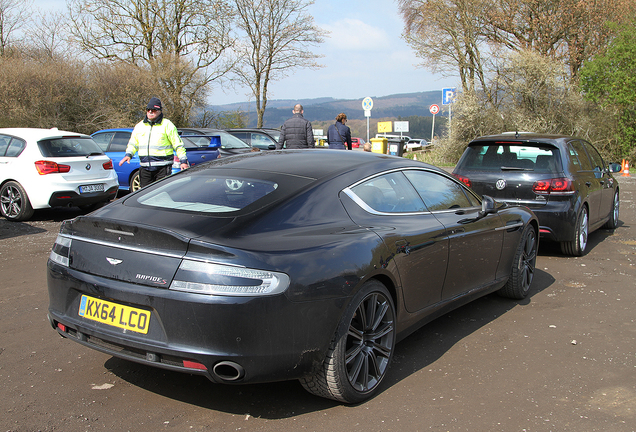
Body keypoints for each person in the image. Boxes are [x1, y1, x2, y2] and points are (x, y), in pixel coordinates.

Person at [119, 97, 188, 188]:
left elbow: (178, 145)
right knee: (144, 196)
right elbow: (133, 143)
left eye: (154, 110)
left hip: (162, 168)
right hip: (145, 168)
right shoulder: (140, 126)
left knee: (162, 194)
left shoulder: (167, 125)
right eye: (148, 110)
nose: (150, 112)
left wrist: (183, 161)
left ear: (159, 111)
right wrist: (128, 155)